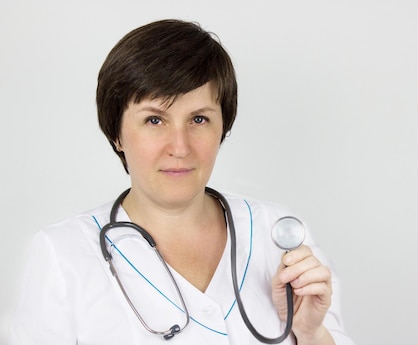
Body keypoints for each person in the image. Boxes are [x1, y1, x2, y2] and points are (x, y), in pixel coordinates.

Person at [9, 19, 353, 345]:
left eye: (199, 119)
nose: (180, 147)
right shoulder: (63, 254)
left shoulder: (280, 236)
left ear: (223, 128)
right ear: (117, 134)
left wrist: (311, 334)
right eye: (155, 120)